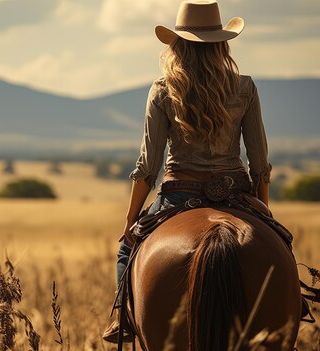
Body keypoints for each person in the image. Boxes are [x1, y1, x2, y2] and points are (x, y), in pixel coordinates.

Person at [102, 0, 272, 343]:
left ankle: (121, 321)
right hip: (236, 190)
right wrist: (265, 211)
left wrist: (130, 220)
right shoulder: (245, 87)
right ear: (222, 43)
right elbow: (259, 164)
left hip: (179, 194)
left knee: (126, 250)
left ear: (177, 44)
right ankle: (292, 305)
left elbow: (147, 168)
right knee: (279, 244)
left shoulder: (163, 89)